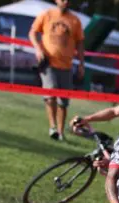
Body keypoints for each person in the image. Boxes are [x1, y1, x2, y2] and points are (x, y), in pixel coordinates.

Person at [29, 0, 85, 141]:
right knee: (51, 92)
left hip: (66, 66)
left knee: (64, 101)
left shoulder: (75, 20)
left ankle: (60, 132)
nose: (65, 2)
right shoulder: (47, 15)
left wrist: (81, 64)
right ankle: (52, 126)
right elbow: (32, 32)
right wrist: (37, 49)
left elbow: (80, 43)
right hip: (48, 63)